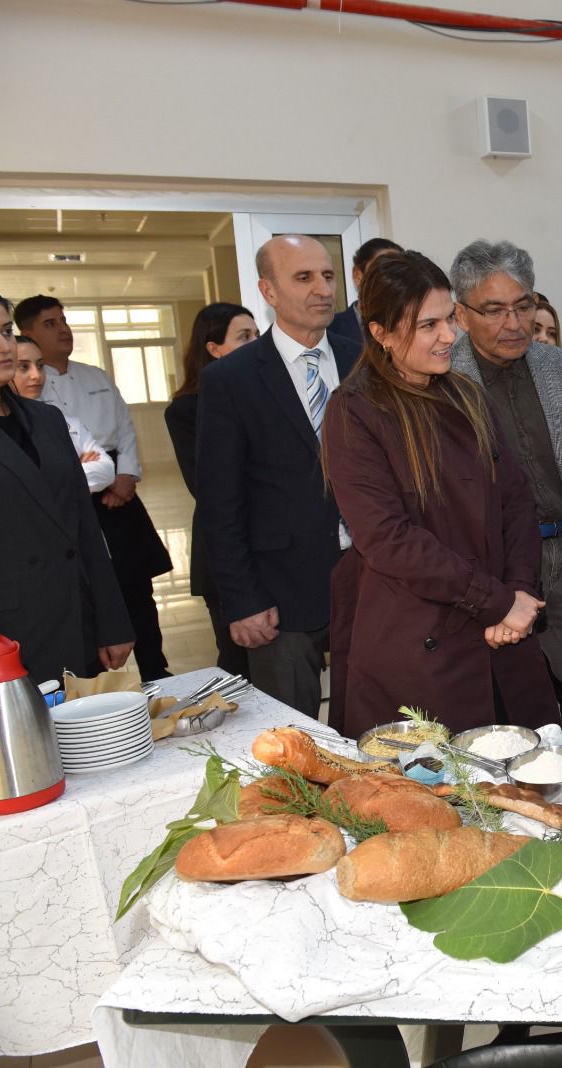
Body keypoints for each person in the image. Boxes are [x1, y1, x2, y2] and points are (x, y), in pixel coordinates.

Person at [326, 250, 557, 735]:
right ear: (381, 333)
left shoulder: (468, 395)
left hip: (503, 636)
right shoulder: (354, 412)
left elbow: (515, 500)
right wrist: (495, 601)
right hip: (421, 644)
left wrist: (519, 592)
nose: (449, 335)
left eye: (449, 317)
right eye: (428, 325)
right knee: (442, 798)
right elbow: (389, 539)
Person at [446, 239, 562, 724]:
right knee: (500, 699)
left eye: (524, 306)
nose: (515, 323)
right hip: (487, 560)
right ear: (461, 315)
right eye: (496, 310)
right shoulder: (444, 381)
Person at [196, 235, 360, 718]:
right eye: (304, 277)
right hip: (281, 591)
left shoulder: (364, 363)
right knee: (294, 738)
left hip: (370, 579)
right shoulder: (232, 379)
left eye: (328, 276)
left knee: (379, 726)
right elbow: (219, 501)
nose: (322, 289)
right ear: (268, 291)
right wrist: (242, 599)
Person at [0, 283, 133, 685]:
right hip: (2, 636)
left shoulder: (46, 421)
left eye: (6, 332)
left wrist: (111, 620)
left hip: (74, 616)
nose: (3, 347)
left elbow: (83, 527)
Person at [16, 294, 172, 680]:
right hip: (68, 505)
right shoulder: (28, 388)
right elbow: (59, 468)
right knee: (85, 590)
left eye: (63, 320)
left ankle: (155, 665)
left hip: (118, 494)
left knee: (136, 584)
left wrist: (126, 476)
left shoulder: (94, 375)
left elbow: (123, 427)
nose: (63, 329)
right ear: (28, 333)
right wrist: (87, 471)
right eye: (50, 323)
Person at [165, 302, 259, 679]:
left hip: (275, 550)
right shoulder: (187, 410)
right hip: (226, 549)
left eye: (257, 335)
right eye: (244, 337)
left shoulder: (262, 395)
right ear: (213, 348)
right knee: (238, 662)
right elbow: (208, 487)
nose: (256, 343)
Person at [11, 337, 115, 494]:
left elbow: (106, 470)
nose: (36, 375)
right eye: (24, 367)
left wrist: (64, 473)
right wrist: (74, 468)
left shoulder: (62, 420)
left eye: (40, 366)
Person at [327, 237, 403, 345]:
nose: (390, 278)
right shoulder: (329, 329)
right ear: (357, 275)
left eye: (398, 271)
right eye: (382, 269)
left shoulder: (412, 325)